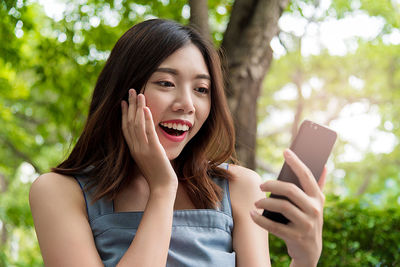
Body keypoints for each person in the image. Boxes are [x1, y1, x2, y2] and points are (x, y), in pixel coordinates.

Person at [29, 19, 325, 267]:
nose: (187, 104)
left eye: (201, 89)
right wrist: (162, 189)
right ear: (122, 91)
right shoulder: (59, 192)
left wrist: (305, 259)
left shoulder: (239, 187)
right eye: (166, 83)